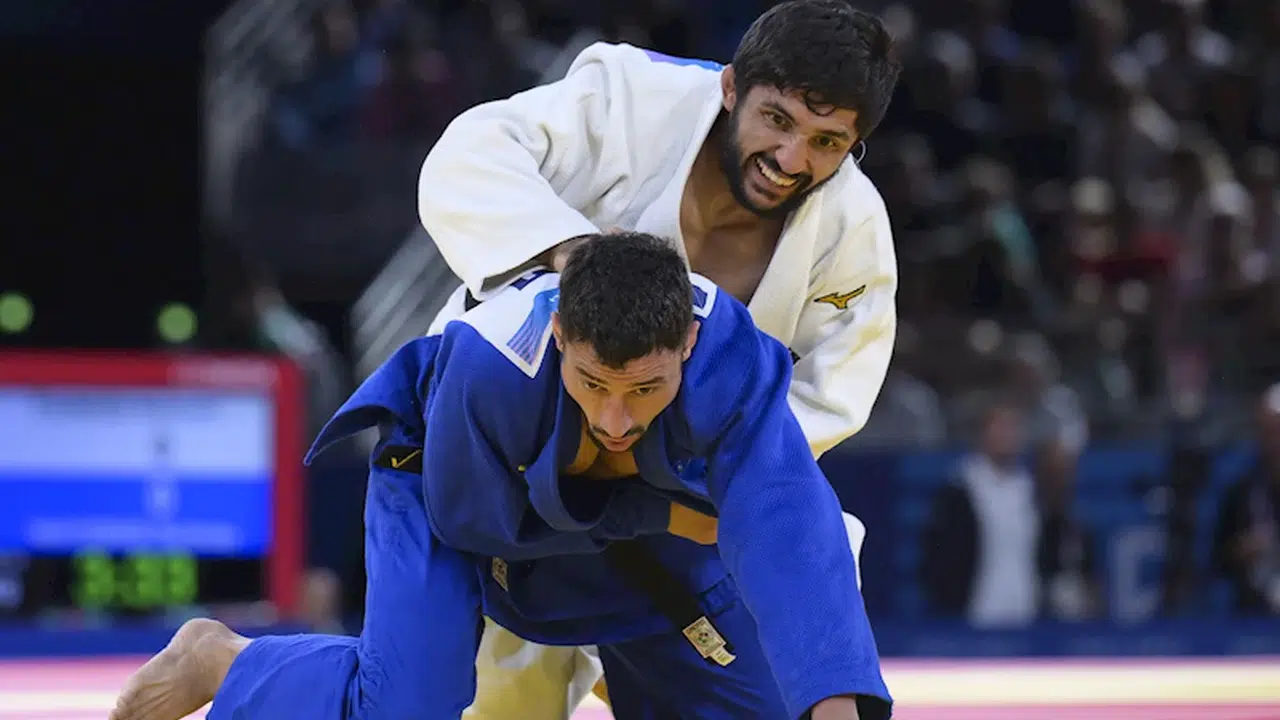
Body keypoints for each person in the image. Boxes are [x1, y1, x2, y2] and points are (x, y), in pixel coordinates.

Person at [111, 233, 891, 720]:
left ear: (687, 343)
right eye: (592, 383)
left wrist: (834, 703)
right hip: (448, 488)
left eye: (646, 390)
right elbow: (476, 528)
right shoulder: (490, 368)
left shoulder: (732, 362)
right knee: (406, 708)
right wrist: (649, 511)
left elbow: (791, 524)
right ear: (561, 333)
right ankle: (226, 659)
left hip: (631, 524)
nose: (616, 416)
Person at [417, 2, 901, 715]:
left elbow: (825, 404)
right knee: (502, 701)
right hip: (518, 467)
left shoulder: (852, 233)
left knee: (811, 565)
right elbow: (468, 156)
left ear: (856, 145)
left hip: (679, 505)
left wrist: (671, 477)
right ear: (732, 87)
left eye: (827, 142)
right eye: (777, 120)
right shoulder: (631, 99)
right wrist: (566, 250)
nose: (791, 159)